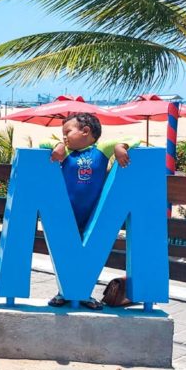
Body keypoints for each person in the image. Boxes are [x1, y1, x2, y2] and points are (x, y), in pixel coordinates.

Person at [46, 112, 136, 309]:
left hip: (93, 216)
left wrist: (121, 147)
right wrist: (58, 146)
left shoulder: (101, 150)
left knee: (88, 259)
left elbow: (133, 138)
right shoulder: (67, 152)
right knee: (66, 256)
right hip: (67, 214)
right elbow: (43, 145)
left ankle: (84, 293)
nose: (64, 137)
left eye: (67, 132)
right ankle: (63, 292)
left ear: (85, 131)